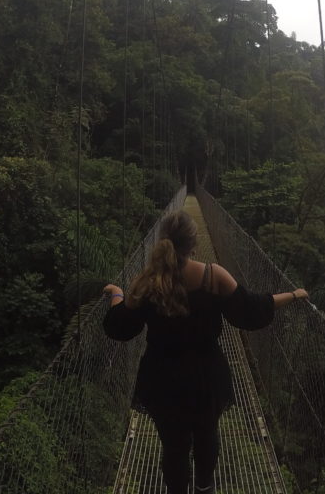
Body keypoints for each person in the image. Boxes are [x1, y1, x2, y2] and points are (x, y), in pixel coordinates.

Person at [102, 210, 308, 494]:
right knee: (207, 434)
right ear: (193, 244)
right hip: (206, 377)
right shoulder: (213, 276)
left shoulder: (148, 281)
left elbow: (120, 327)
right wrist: (294, 295)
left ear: (162, 240)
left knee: (173, 444)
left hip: (162, 379)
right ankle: (205, 487)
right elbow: (250, 311)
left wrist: (116, 293)